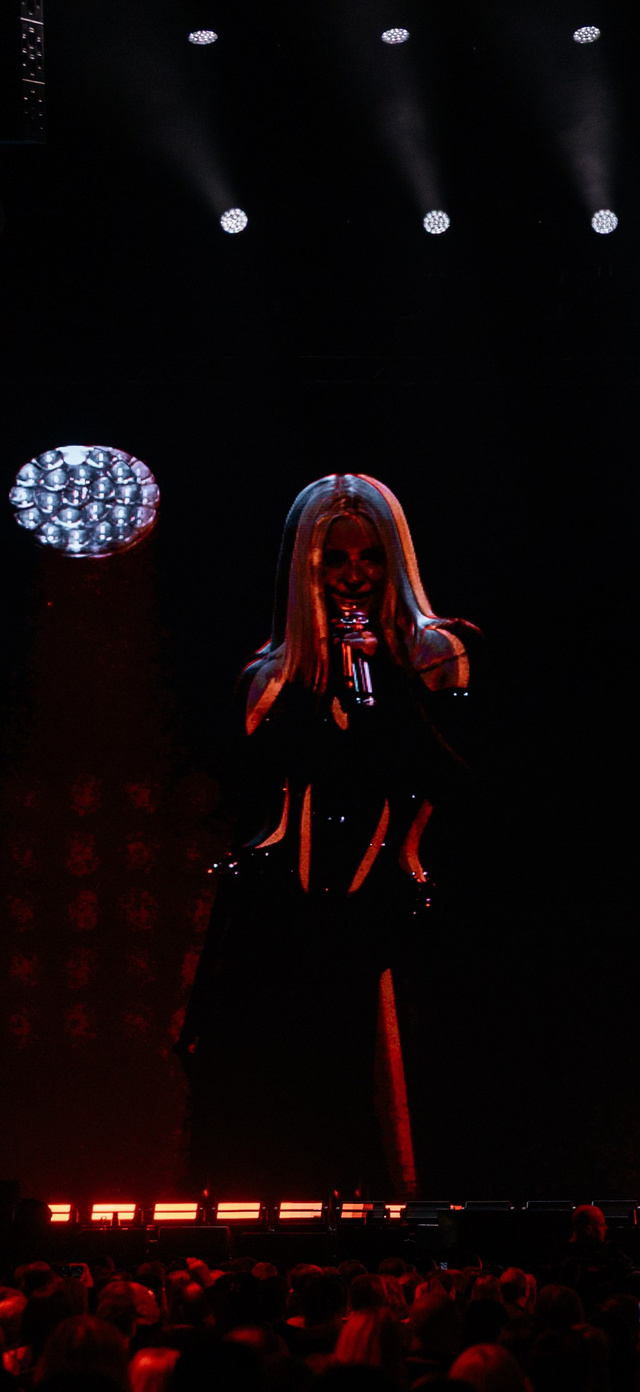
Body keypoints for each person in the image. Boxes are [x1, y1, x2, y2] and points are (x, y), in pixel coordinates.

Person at [178, 475, 476, 1197]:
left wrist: (382, 677)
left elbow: (452, 774)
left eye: (369, 557)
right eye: (334, 560)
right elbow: (261, 784)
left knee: (387, 1099)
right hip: (285, 912)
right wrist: (325, 678)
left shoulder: (438, 655)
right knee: (266, 1088)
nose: (353, 576)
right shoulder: (274, 678)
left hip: (394, 905)